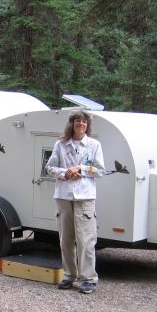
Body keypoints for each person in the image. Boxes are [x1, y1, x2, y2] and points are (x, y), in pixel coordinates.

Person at [45, 110, 105, 294]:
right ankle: (69, 275)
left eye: (84, 122)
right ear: (72, 123)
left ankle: (88, 279)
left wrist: (82, 168)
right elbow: (49, 167)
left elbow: (101, 170)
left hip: (85, 198)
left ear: (88, 125)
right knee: (66, 239)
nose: (81, 124)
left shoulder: (94, 145)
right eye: (78, 121)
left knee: (86, 240)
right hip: (64, 196)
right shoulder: (61, 144)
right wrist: (65, 173)